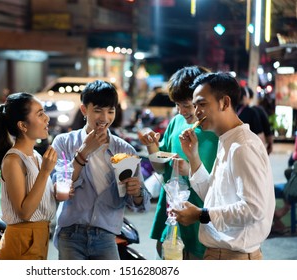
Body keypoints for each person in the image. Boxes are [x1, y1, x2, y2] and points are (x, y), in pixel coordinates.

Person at [175, 72, 275, 260]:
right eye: (195, 105)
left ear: (225, 103)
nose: (196, 112)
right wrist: (193, 157)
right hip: (221, 254)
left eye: (202, 104)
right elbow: (216, 198)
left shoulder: (242, 146)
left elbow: (254, 209)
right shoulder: (227, 141)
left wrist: (200, 215)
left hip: (234, 257)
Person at [51, 79, 151, 260]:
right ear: (84, 110)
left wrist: (136, 192)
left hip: (106, 235)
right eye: (98, 110)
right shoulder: (64, 142)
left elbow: (141, 203)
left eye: (110, 111)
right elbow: (60, 189)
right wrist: (83, 152)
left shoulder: (125, 150)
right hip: (70, 234)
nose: (104, 118)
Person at [138, 65, 218, 260]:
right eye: (177, 105)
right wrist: (152, 147)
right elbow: (159, 168)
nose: (181, 111)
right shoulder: (176, 123)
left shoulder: (217, 131)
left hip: (202, 218)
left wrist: (190, 170)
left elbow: (223, 186)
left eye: (186, 105)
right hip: (171, 216)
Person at [0, 92, 58, 260]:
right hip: (22, 241)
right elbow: (25, 212)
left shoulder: (36, 156)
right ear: (23, 125)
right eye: (40, 114)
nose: (46, 119)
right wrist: (45, 173)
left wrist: (55, 193)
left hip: (39, 237)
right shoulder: (13, 160)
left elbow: (37, 198)